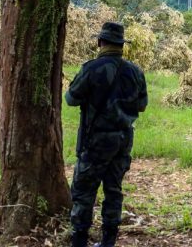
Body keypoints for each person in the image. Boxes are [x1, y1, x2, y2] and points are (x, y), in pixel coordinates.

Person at [65, 22, 148, 247]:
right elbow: (142, 106)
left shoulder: (91, 69)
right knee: (113, 190)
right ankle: (108, 241)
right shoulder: (135, 72)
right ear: (121, 45)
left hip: (95, 141)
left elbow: (71, 99)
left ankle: (79, 240)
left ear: (100, 42)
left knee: (83, 192)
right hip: (123, 141)